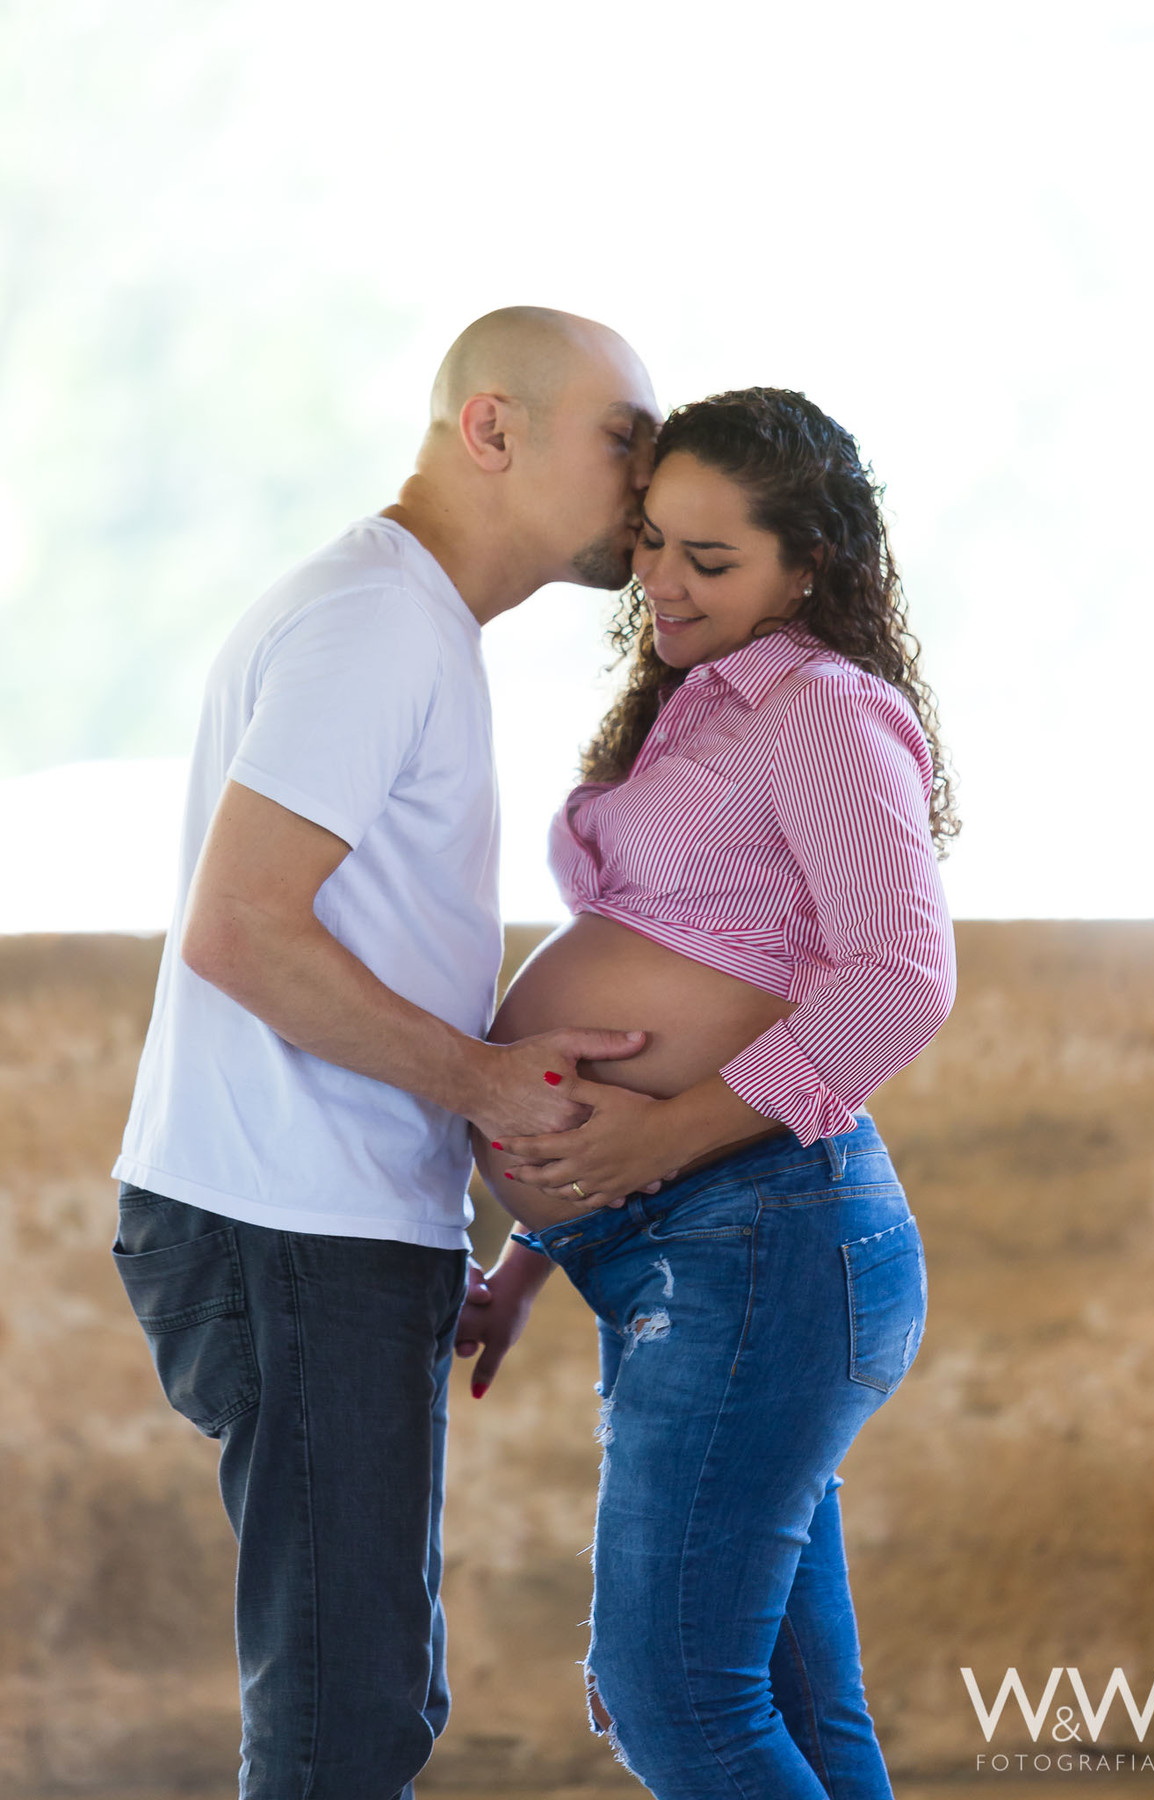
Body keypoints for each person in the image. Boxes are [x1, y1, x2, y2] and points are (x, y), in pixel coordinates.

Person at [108, 305, 663, 1799]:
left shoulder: (407, 621)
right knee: (345, 1722)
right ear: (491, 427)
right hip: (291, 1232)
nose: (654, 469)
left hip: (328, 1228)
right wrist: (488, 1085)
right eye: (624, 433)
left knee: (371, 1699)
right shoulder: (375, 621)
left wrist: (466, 1233)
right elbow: (241, 931)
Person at [463, 387, 958, 1799]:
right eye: (654, 545)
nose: (663, 583)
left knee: (674, 1693)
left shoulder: (817, 705)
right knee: (792, 1706)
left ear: (809, 565)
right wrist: (535, 1252)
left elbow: (902, 977)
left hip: (766, 1235)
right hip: (705, 1241)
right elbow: (679, 990)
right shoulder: (695, 708)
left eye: (711, 559)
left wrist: (663, 1137)